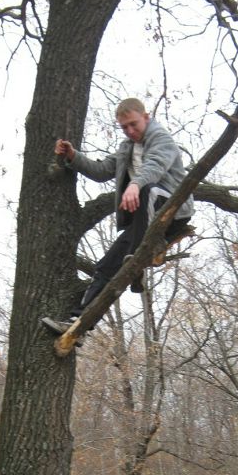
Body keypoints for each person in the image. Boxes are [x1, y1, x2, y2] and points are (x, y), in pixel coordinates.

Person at [41, 98, 194, 337]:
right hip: (144, 223)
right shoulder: (127, 149)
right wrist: (73, 156)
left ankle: (141, 256)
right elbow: (101, 171)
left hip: (171, 209)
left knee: (148, 190)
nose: (130, 131)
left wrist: (134, 185)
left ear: (146, 117)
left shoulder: (161, 139)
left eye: (134, 124)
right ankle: (77, 324)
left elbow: (154, 167)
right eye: (124, 127)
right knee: (106, 266)